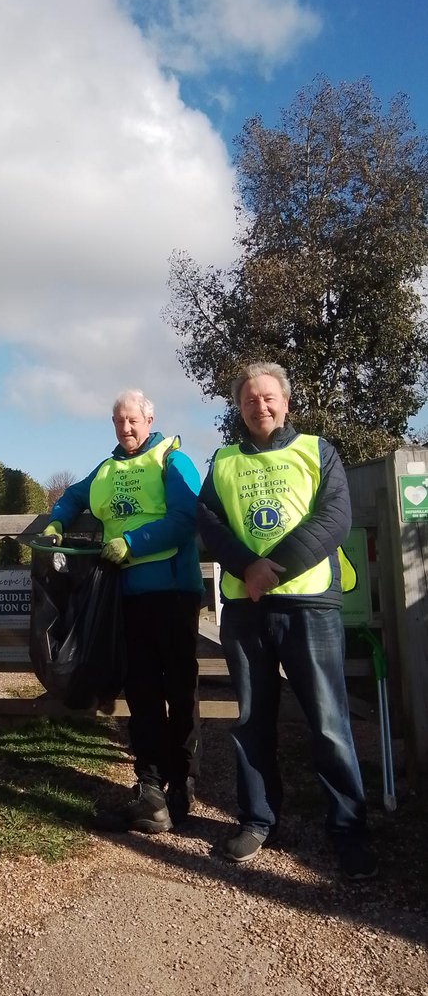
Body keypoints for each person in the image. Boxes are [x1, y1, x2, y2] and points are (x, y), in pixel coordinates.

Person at [197, 361, 377, 880]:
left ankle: (348, 829)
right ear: (239, 407)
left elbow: (335, 517)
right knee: (252, 719)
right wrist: (246, 569)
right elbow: (208, 521)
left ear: (286, 402)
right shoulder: (224, 460)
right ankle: (257, 818)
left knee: (328, 721)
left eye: (269, 397)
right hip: (247, 610)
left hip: (309, 604)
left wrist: (270, 570)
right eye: (250, 400)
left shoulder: (317, 450)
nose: (261, 406)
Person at [46, 389, 204, 833]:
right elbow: (73, 496)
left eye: (132, 420)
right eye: (118, 422)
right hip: (124, 596)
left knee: (179, 689)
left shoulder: (172, 460)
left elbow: (186, 516)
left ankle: (182, 785)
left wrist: (133, 542)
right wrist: (57, 520)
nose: (126, 429)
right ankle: (150, 789)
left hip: (171, 591)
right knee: (140, 693)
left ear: (149, 419)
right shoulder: (108, 468)